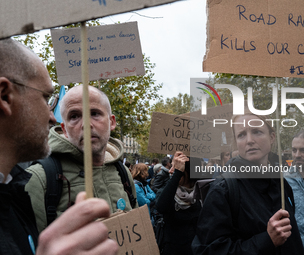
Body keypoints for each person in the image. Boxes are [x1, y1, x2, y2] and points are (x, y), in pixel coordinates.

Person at [0, 38, 118, 254]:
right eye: (46, 98)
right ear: (4, 96)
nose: (51, 118)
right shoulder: (38, 179)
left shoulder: (12, 191)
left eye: (95, 113)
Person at [25, 84, 137, 233]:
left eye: (95, 113)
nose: (86, 124)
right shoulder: (39, 178)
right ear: (64, 129)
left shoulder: (122, 173)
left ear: (112, 122)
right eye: (74, 116)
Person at [192, 113, 304, 254]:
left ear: (272, 137)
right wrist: (266, 240)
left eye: (257, 132)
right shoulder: (223, 189)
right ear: (236, 143)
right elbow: (208, 250)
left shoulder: (281, 183)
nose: (249, 140)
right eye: (241, 135)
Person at [156, 152, 202, 255]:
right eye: (172, 166)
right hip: (172, 250)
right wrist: (177, 174)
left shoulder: (202, 192)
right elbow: (161, 207)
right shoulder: (169, 191)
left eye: (176, 168)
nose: (171, 171)